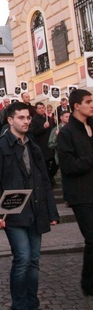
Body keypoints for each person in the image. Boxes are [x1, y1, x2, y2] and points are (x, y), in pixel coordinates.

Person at [0, 101, 59, 310]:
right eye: (21, 118)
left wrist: (52, 211)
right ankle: (19, 305)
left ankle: (31, 303)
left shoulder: (33, 145)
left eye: (28, 117)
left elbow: (44, 180)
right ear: (10, 120)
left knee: (34, 260)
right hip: (13, 212)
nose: (26, 121)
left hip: (36, 210)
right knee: (23, 258)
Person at [57, 89, 93, 304]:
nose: (92, 105)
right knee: (92, 238)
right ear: (76, 106)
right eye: (88, 102)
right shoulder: (67, 133)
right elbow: (69, 167)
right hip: (81, 194)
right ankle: (88, 283)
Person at [30, 101, 57, 184]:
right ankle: (48, 179)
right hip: (42, 145)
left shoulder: (48, 118)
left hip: (51, 144)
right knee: (45, 164)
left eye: (43, 108)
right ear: (36, 110)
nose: (42, 110)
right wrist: (43, 127)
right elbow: (34, 132)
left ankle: (50, 176)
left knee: (56, 162)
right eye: (40, 108)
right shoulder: (34, 120)